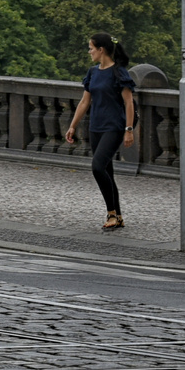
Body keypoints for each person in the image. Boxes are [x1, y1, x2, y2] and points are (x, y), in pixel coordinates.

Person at [64, 32, 137, 232]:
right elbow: (84, 101)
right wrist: (72, 125)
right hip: (95, 127)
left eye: (91, 48)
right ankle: (117, 216)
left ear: (101, 50)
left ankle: (112, 213)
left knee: (97, 167)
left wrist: (128, 129)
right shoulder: (93, 72)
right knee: (107, 171)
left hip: (114, 127)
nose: (89, 52)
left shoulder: (119, 72)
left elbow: (128, 102)